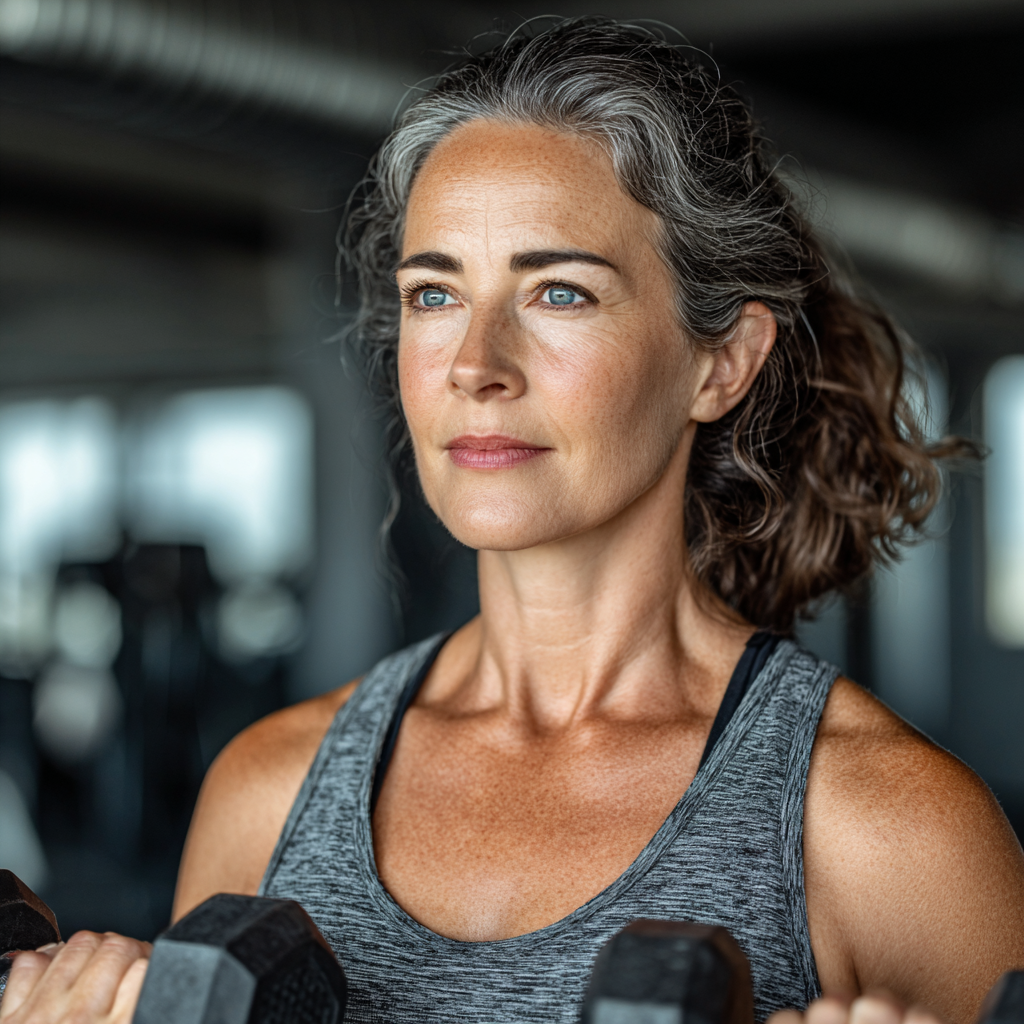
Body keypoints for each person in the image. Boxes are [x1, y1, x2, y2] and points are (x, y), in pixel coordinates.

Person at [3, 17, 1022, 1024]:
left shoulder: (887, 829)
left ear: (721, 362)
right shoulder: (268, 789)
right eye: (435, 294)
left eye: (560, 293)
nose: (475, 364)